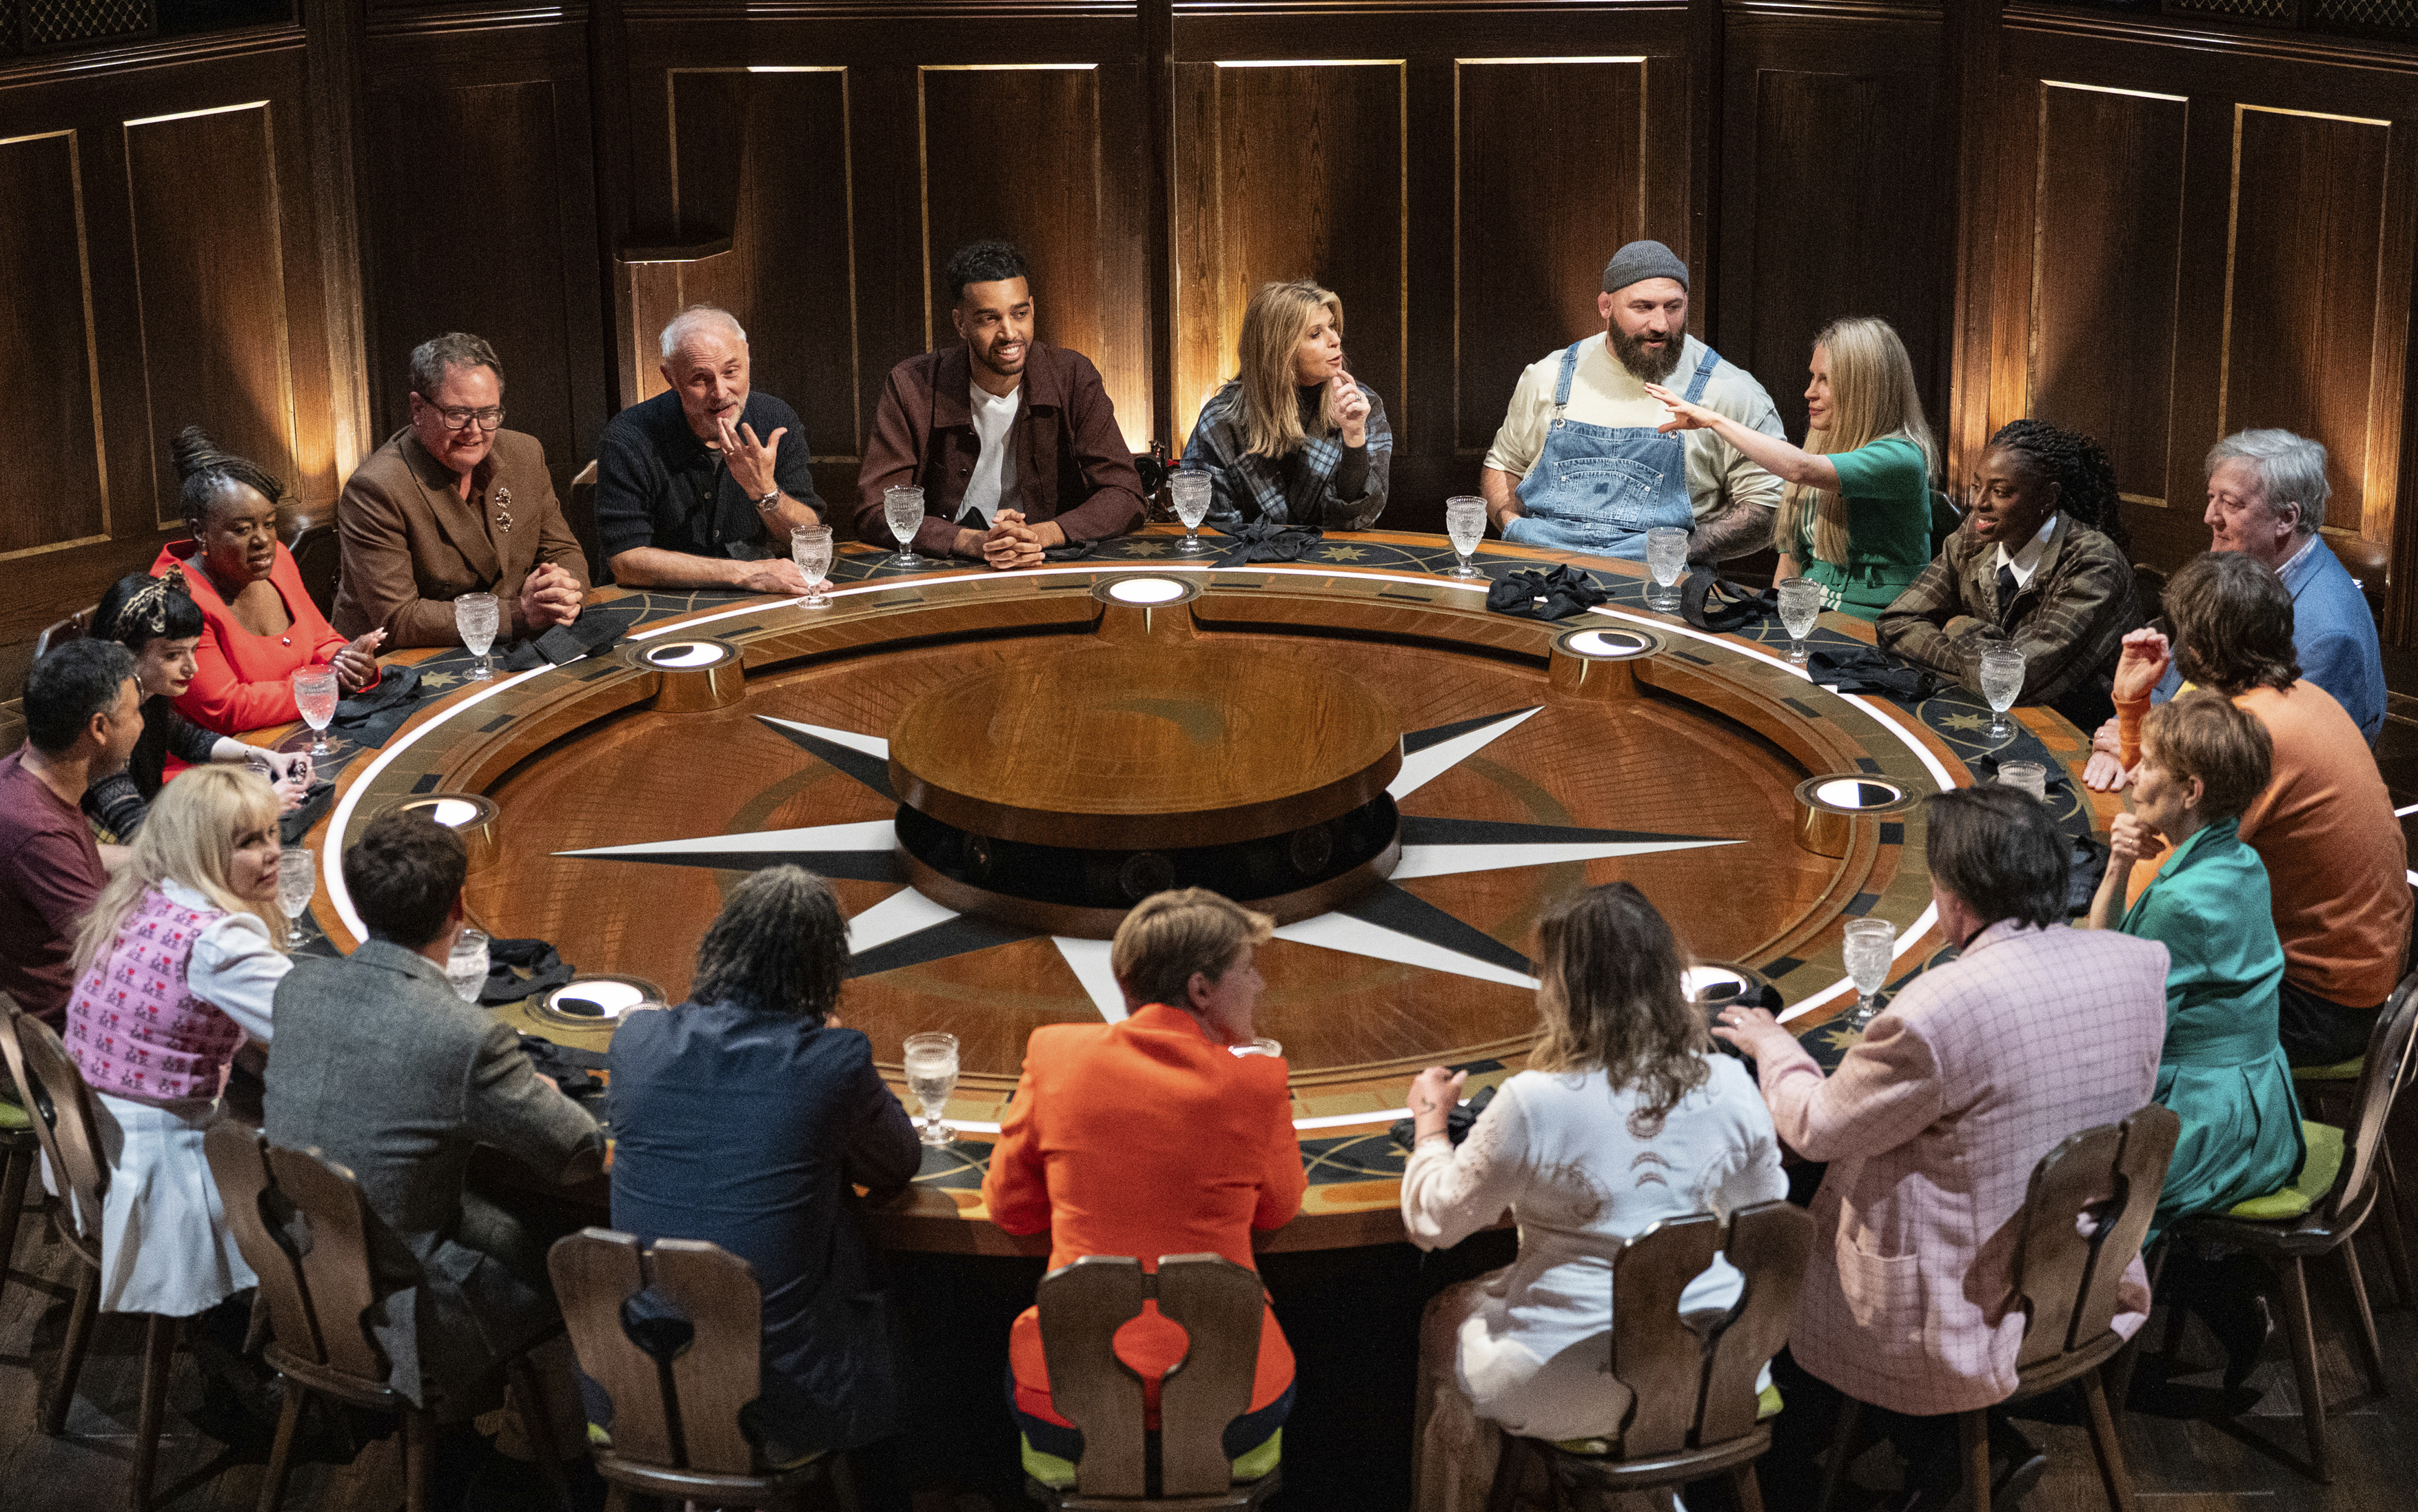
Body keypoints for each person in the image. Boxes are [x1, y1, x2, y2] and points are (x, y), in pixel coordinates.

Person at [1712, 786, 2168, 1505]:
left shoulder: (1937, 1009)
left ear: (1954, 898)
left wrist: (1773, 1045)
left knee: (1773, 1222)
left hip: (1958, 1308)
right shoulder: (2139, 963)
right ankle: (1933, 1454)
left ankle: (1795, 1471)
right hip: (2081, 1278)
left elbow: (1813, 1127)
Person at [1401, 882, 1785, 1512]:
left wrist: (1430, 1127)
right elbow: (1766, 1215)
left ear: (1564, 990)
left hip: (1571, 1382)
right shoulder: (1730, 1084)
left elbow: (1435, 1223)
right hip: (1718, 1369)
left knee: (1447, 1317)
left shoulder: (1533, 1102)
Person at [264, 810, 604, 1422]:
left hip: (300, 1277)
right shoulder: (465, 1038)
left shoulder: (297, 986)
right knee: (587, 1254)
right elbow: (578, 1155)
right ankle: (588, 1439)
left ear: (360, 904)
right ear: (459, 908)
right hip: (404, 1314)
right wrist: (534, 1094)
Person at [982, 889, 1304, 1484]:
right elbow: (1280, 1210)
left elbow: (1009, 1210)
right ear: (1202, 990)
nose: (1259, 985)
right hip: (1236, 1409)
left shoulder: (1053, 1055)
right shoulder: (1259, 1079)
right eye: (1248, 969)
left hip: (1067, 1408)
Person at [607, 866, 920, 1464]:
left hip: (635, 1381)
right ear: (824, 968)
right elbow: (897, 1163)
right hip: (781, 1398)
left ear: (716, 947)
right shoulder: (835, 1061)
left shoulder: (637, 1042)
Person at [2101, 551, 2409, 1067]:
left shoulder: (2252, 733)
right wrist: (2135, 707)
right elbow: (2159, 797)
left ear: (2194, 648)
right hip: (2368, 976)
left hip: (2318, 1004)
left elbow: (2146, 898)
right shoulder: (2300, 696)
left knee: (2101, 1008)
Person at [61, 766, 291, 1316]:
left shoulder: (146, 895)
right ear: (202, 850)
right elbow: (316, 1033)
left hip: (102, 1145)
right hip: (171, 1177)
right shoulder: (219, 941)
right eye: (247, 842)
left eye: (273, 833)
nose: (272, 853)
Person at [2086, 691, 2302, 1238]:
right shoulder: (2241, 860)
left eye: (2152, 763)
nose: (2134, 773)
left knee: (2048, 1184)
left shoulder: (2180, 904)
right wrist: (2117, 867)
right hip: (2264, 1105)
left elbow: (2111, 1016)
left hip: (2207, 1124)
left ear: (2191, 791)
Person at [2085, 431, 2386, 781]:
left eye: (2230, 503)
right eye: (2212, 498)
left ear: (2286, 518)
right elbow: (2170, 691)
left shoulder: (2330, 634)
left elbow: (2267, 768)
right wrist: (2125, 731)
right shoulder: (2235, 576)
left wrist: (2139, 745)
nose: (2210, 516)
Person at [1479, 239, 1784, 562]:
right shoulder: (1549, 377)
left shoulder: (1731, 390)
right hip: (1543, 571)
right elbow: (1504, 464)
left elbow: (1770, 505)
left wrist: (1677, 551)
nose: (1660, 325)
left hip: (1659, 588)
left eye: (1673, 307)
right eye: (1643, 307)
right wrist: (1511, 524)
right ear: (1605, 306)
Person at [857, 240, 1146, 568]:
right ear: (960, 323)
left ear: (1033, 309)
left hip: (1049, 562)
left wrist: (1041, 534)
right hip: (948, 566)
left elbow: (1125, 495)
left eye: (1020, 314)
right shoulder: (912, 385)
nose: (1010, 333)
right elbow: (876, 509)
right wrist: (972, 541)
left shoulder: (1073, 376)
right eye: (989, 319)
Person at [1645, 315, 1934, 620]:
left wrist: (1713, 420)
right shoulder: (1820, 446)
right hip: (1812, 615)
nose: (1810, 392)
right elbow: (1790, 562)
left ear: (1865, 388)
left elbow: (1798, 469)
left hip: (1877, 623)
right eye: (1813, 377)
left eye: (1826, 380)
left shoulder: (1903, 457)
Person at [1876, 418, 2139, 732]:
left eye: (2000, 491)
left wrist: (1959, 627)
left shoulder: (2093, 562)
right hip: (1990, 714)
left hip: (2073, 735)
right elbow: (1896, 622)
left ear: (2048, 497)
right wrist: (1986, 666)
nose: (1979, 503)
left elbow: (2016, 679)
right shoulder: (1975, 536)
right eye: (1977, 486)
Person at [332, 332, 590, 648]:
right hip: (401, 666)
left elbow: (564, 552)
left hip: (508, 648)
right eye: (457, 415)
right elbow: (400, 620)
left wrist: (562, 590)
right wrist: (520, 613)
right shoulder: (375, 488)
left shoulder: (525, 453)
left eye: (489, 414)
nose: (475, 431)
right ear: (417, 408)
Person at [151, 427, 384, 734]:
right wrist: (327, 683)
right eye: (243, 529)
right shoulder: (175, 595)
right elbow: (226, 708)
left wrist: (347, 661)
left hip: (299, 729)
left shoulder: (279, 561)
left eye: (269, 524)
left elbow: (321, 640)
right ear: (199, 531)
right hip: (219, 760)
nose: (262, 540)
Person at [596, 305, 826, 593]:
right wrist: (745, 573)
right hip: (661, 599)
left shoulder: (776, 419)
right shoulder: (628, 437)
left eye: (731, 371)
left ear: (747, 356)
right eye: (700, 379)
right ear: (671, 379)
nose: (720, 393)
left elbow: (810, 536)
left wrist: (764, 490)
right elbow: (626, 560)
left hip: (757, 595)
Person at [84, 569, 312, 841]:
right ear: (125, 653)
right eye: (173, 655)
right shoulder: (101, 726)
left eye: (193, 651)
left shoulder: (143, 698)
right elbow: (139, 835)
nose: (192, 668)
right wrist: (259, 806)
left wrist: (265, 756)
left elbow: (187, 739)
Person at [2, 640, 143, 1029]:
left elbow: (82, 855)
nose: (142, 723)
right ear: (99, 728)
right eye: (135, 712)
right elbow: (114, 953)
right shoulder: (37, 832)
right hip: (68, 1026)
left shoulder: (24, 769)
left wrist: (174, 857)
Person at [1181, 278, 1391, 531]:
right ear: (1279, 350)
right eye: (1316, 333)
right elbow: (1214, 533)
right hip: (1249, 564)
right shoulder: (1222, 422)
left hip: (1336, 560)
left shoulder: (1362, 406)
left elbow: (1360, 518)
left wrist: (1354, 436)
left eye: (1332, 327)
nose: (1335, 339)